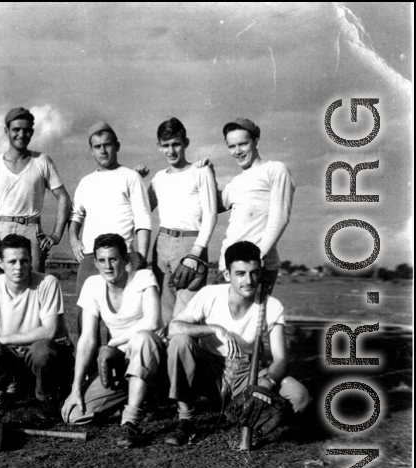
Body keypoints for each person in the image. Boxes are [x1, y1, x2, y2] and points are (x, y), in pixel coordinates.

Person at [165, 240, 310, 445]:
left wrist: (267, 383)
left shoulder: (271, 305)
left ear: (260, 273)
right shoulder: (209, 295)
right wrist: (214, 329)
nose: (249, 281)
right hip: (208, 369)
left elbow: (280, 359)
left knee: (299, 396)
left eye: (254, 273)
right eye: (240, 273)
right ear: (227, 275)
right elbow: (173, 328)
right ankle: (186, 421)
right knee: (180, 342)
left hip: (246, 372)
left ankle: (250, 417)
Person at [61, 233, 165, 447]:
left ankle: (130, 423)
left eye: (113, 259)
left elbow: (153, 322)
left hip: (153, 360)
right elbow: (87, 339)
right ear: (96, 263)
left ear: (125, 260)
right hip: (121, 364)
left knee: (142, 339)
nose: (107, 266)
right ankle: (135, 400)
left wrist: (111, 344)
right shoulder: (93, 284)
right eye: (101, 260)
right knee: (75, 415)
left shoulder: (143, 277)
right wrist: (75, 388)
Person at [0, 234, 72, 413]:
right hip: (14, 355)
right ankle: (9, 386)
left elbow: (49, 331)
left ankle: (46, 398)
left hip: (47, 354)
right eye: (12, 262)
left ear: (30, 261)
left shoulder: (47, 283)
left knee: (41, 351)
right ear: (0, 263)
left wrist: (4, 340)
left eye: (24, 261)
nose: (18, 267)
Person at [0, 106, 71, 278]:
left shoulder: (42, 161)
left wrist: (56, 235)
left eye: (26, 130)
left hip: (31, 230)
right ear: (6, 131)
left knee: (34, 289)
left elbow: (64, 198)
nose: (21, 134)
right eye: (16, 129)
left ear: (32, 132)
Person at [147, 117, 218, 327]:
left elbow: (211, 214)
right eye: (166, 145)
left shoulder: (200, 171)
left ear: (185, 143)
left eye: (176, 144)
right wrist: (134, 177)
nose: (171, 150)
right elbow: (140, 210)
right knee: (163, 316)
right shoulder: (158, 178)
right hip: (161, 243)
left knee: (185, 319)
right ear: (159, 146)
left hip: (190, 244)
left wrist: (196, 253)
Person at [69, 121, 152, 300]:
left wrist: (142, 258)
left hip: (122, 256)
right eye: (97, 147)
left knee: (122, 315)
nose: (103, 151)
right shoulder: (86, 182)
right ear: (91, 151)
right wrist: (74, 239)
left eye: (107, 145)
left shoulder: (131, 177)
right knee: (85, 314)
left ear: (117, 146)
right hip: (91, 256)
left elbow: (143, 219)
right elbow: (77, 215)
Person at [218, 117, 294, 294]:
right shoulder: (236, 182)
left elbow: (280, 219)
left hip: (255, 267)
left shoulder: (275, 169)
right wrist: (205, 171)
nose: (237, 151)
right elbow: (214, 206)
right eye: (231, 146)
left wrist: (259, 256)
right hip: (226, 265)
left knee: (254, 321)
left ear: (256, 141)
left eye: (242, 144)